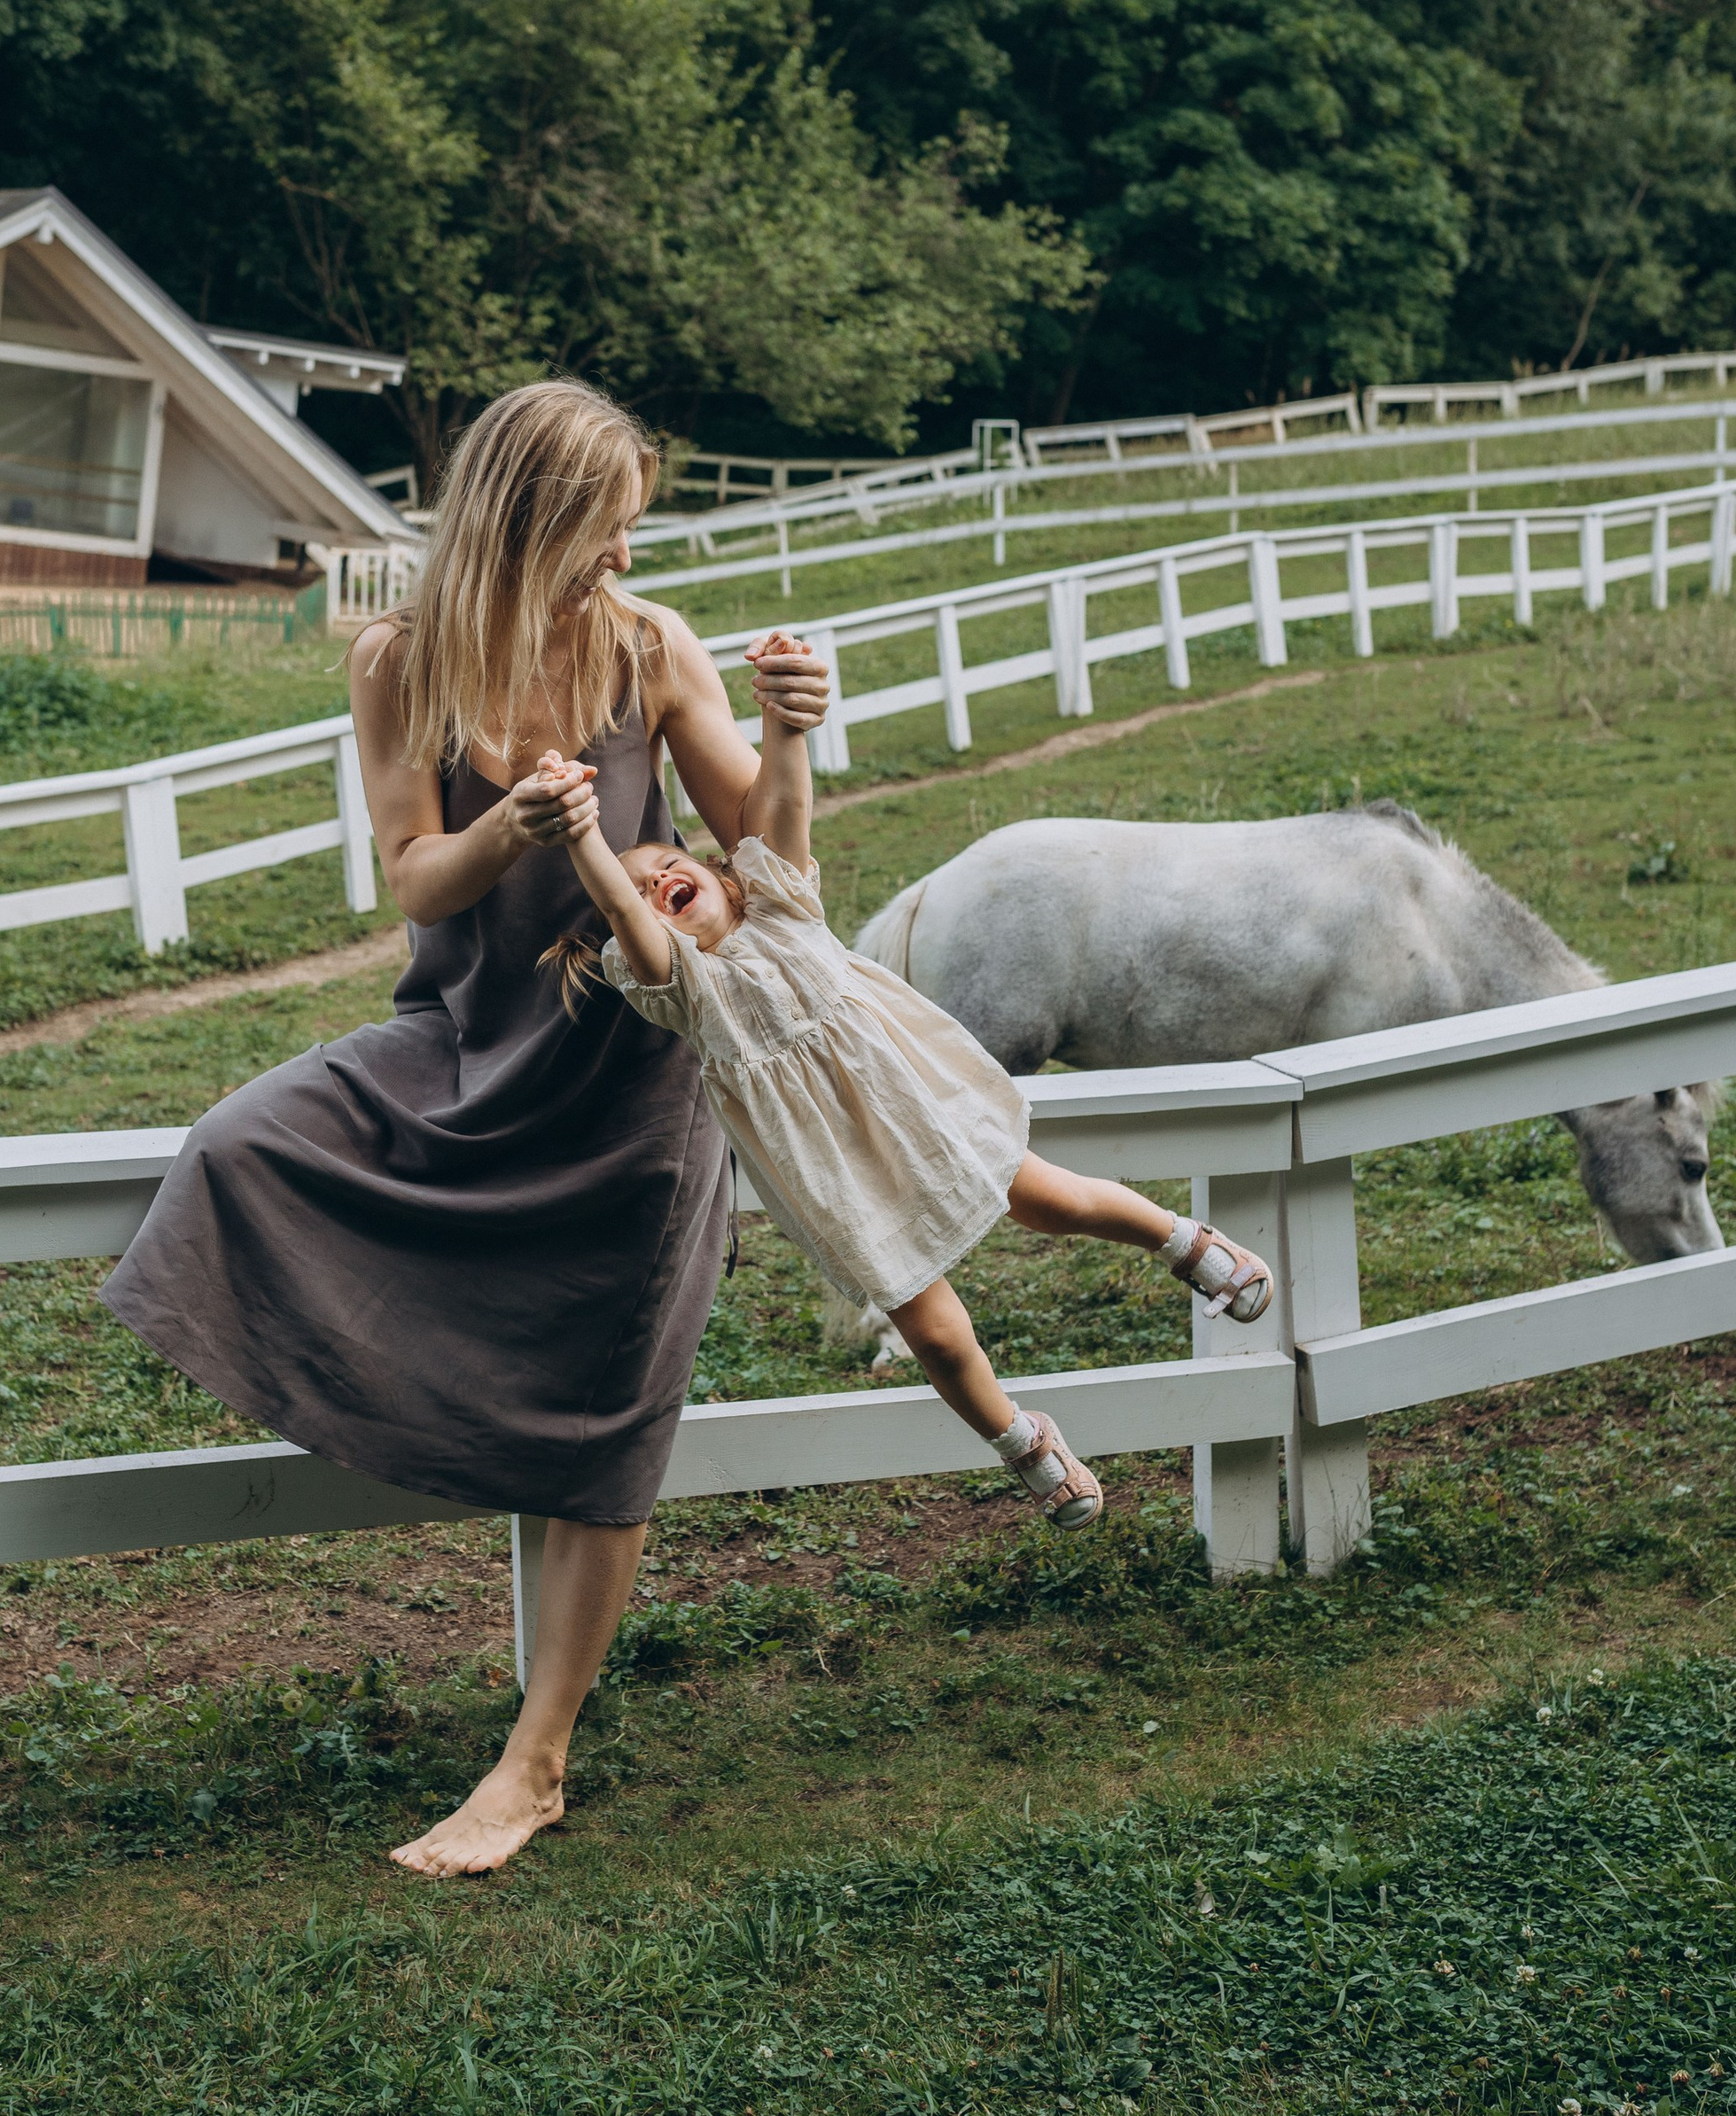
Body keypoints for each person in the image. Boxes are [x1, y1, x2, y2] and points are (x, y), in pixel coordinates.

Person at [101, 378, 829, 1880]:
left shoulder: (649, 646)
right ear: (529, 520)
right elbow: (416, 875)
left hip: (636, 1075)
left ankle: (534, 1763)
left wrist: (785, 730)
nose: (624, 558)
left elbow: (768, 862)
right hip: (466, 1036)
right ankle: (416, 1419)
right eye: (604, 530)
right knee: (238, 1144)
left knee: (615, 1407)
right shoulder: (400, 661)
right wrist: (514, 826)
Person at [538, 630, 1275, 1528]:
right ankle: (1021, 1440)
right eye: (644, 893)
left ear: (722, 874)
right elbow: (621, 909)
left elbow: (782, 802)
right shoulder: (679, 988)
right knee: (933, 1332)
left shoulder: (783, 904)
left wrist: (782, 722)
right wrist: (582, 834)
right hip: (835, 1169)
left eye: (669, 866)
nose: (657, 885)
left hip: (917, 1101)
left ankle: (1182, 1243)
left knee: (1053, 1199)